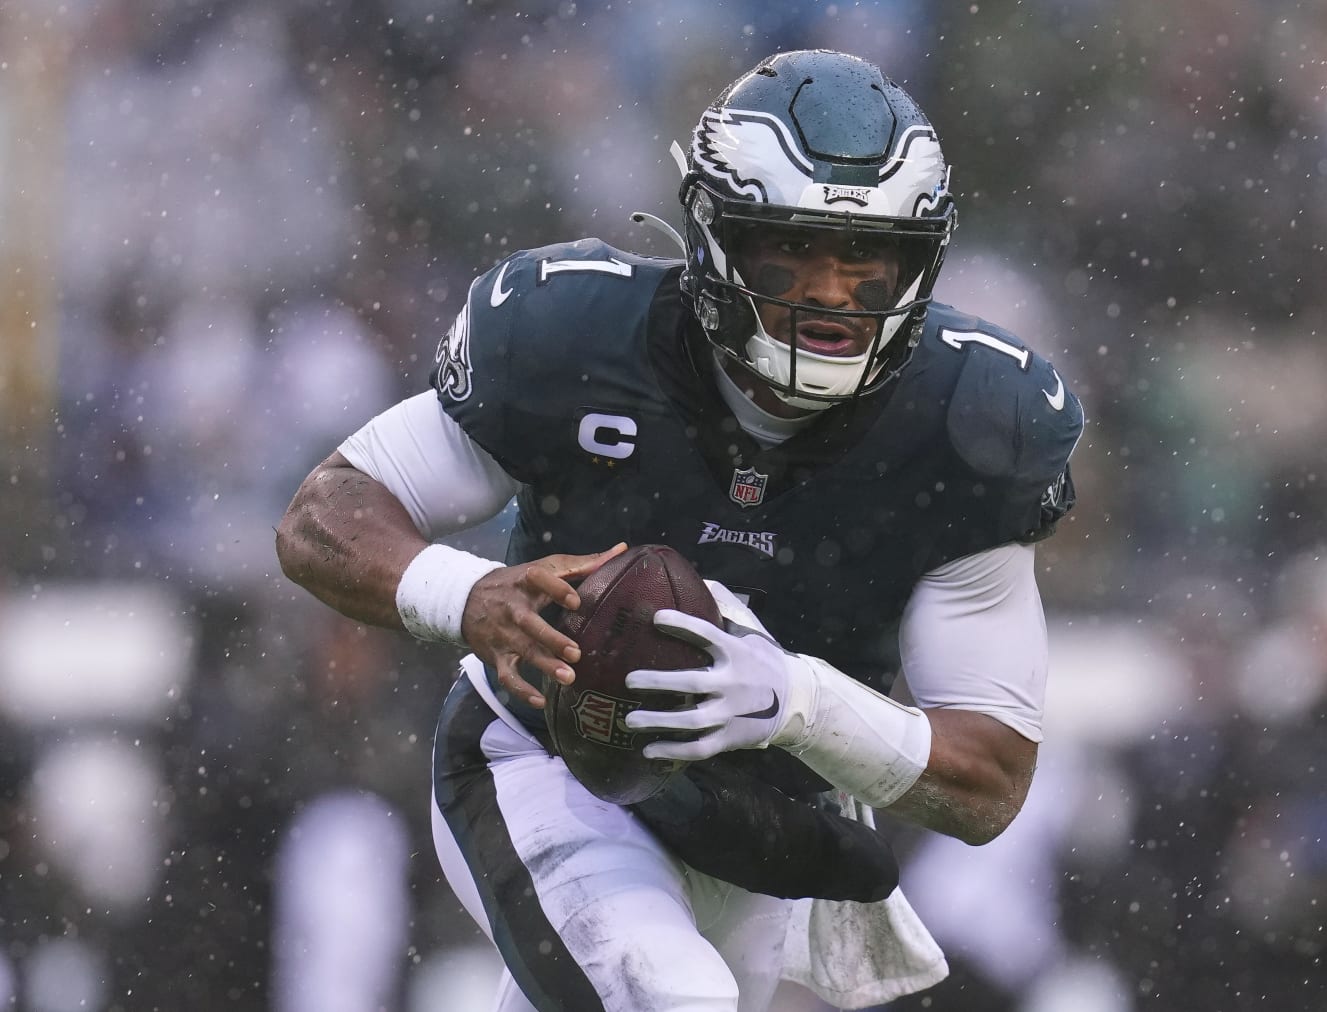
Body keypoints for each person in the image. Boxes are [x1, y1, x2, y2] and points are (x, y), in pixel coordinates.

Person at [276, 48, 1083, 1012]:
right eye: (792, 247)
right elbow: (326, 511)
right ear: (714, 236)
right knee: (670, 996)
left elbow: (989, 777)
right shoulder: (577, 337)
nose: (829, 293)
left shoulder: (967, 421)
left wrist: (796, 701)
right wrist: (470, 596)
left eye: (865, 257)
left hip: (761, 821)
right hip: (546, 757)